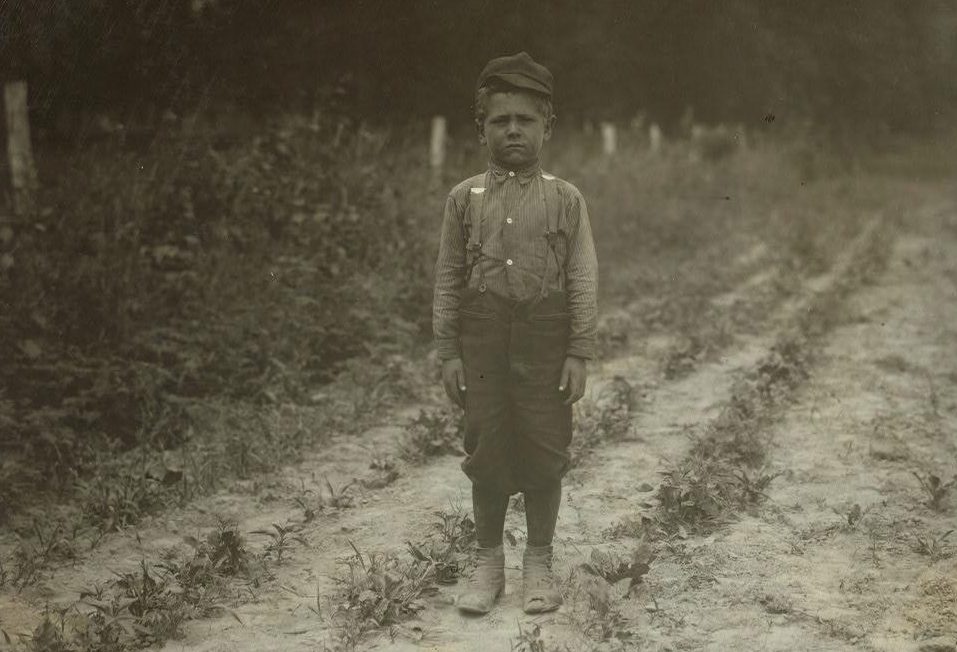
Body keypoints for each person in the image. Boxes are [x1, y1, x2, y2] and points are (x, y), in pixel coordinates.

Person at [432, 52, 598, 615]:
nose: (513, 131)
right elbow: (449, 278)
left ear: (547, 127)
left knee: (546, 447)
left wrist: (579, 350)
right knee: (486, 445)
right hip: (481, 337)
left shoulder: (566, 199)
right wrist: (448, 350)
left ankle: (540, 561)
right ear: (481, 129)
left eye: (525, 120)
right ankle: (487, 564)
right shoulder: (463, 200)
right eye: (500, 120)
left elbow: (582, 277)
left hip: (546, 337)